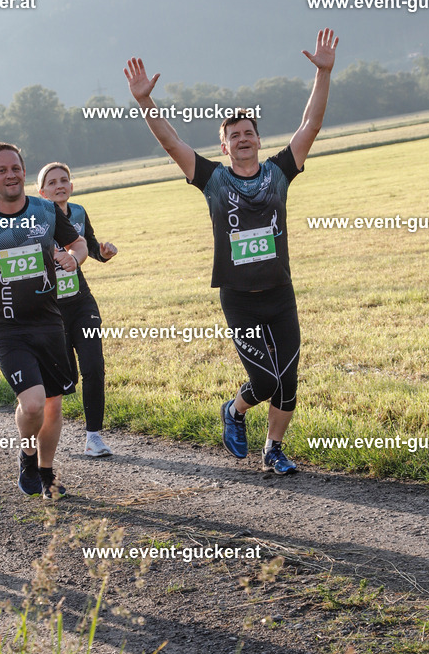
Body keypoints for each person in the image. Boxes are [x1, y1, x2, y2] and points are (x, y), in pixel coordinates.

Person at [124, 28, 338, 473]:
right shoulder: (215, 180)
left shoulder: (280, 172)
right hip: (239, 298)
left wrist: (324, 73)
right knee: (264, 379)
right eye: (233, 135)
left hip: (280, 293)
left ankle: (274, 450)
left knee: (289, 382)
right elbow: (171, 142)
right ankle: (234, 411)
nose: (242, 139)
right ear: (224, 146)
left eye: (249, 132)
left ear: (259, 139)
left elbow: (311, 125)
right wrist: (145, 101)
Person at [0, 142, 87, 499]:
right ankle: (27, 457)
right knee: (32, 403)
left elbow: (78, 244)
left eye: (15, 169)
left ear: (24, 172)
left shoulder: (45, 211)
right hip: (7, 328)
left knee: (52, 404)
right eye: (2, 170)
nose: (10, 175)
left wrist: (75, 258)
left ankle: (45, 473)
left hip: (49, 322)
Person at [37, 161, 118, 457]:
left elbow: (90, 246)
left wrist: (103, 253)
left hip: (81, 302)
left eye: (64, 180)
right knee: (63, 379)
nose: (59, 185)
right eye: (52, 182)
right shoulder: (36, 219)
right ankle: (42, 434)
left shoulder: (80, 213)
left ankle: (93, 437)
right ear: (42, 192)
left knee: (94, 367)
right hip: (50, 308)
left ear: (71, 186)